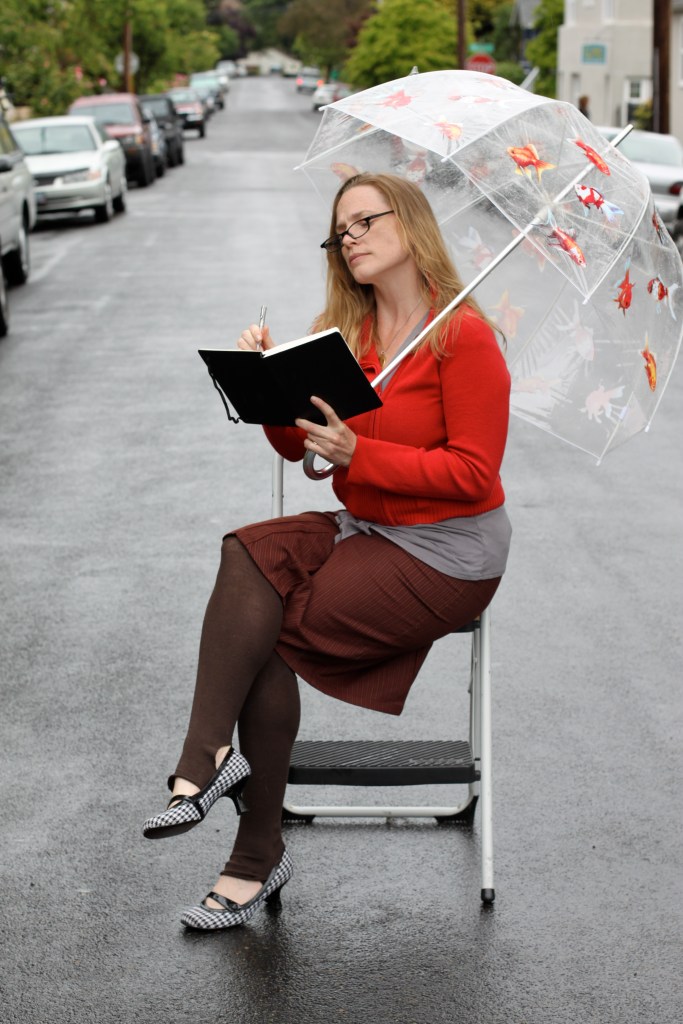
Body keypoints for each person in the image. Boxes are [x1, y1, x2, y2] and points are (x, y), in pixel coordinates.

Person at [143, 172, 512, 930]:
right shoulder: (349, 335)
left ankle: (252, 853)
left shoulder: (461, 335)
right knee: (247, 553)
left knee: (268, 630)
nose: (350, 240)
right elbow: (296, 445)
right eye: (340, 231)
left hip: (448, 549)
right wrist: (267, 382)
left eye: (365, 222)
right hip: (369, 527)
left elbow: (474, 473)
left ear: (410, 224)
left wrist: (358, 454)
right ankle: (209, 758)